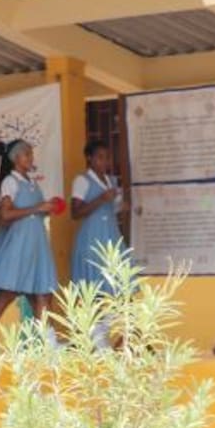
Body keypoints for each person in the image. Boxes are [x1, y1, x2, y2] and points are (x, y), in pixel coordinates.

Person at [0, 140, 60, 348]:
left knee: (42, 293)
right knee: (7, 293)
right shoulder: (9, 182)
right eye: (26, 154)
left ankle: (50, 345)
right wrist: (37, 208)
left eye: (31, 154)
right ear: (15, 158)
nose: (31, 158)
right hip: (20, 242)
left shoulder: (31, 182)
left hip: (37, 243)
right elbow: (4, 213)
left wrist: (46, 208)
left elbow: (35, 209)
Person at [71, 140, 127, 349]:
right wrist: (102, 199)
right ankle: (98, 340)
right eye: (100, 157)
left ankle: (100, 336)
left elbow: (111, 209)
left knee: (119, 289)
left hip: (111, 236)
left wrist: (122, 205)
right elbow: (75, 212)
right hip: (92, 239)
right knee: (96, 291)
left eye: (107, 157)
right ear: (90, 158)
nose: (105, 162)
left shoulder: (111, 181)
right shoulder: (82, 181)